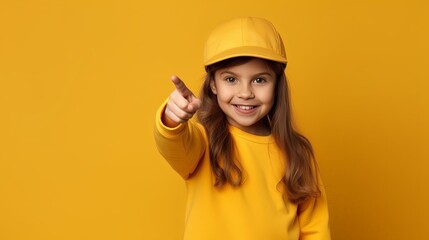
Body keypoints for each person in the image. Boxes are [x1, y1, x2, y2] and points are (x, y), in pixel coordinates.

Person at [154, 17, 331, 240]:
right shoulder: (203, 142)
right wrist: (172, 120)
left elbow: (314, 229)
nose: (245, 92)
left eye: (259, 80)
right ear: (213, 85)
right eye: (230, 79)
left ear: (277, 85)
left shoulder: (298, 153)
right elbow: (175, 145)